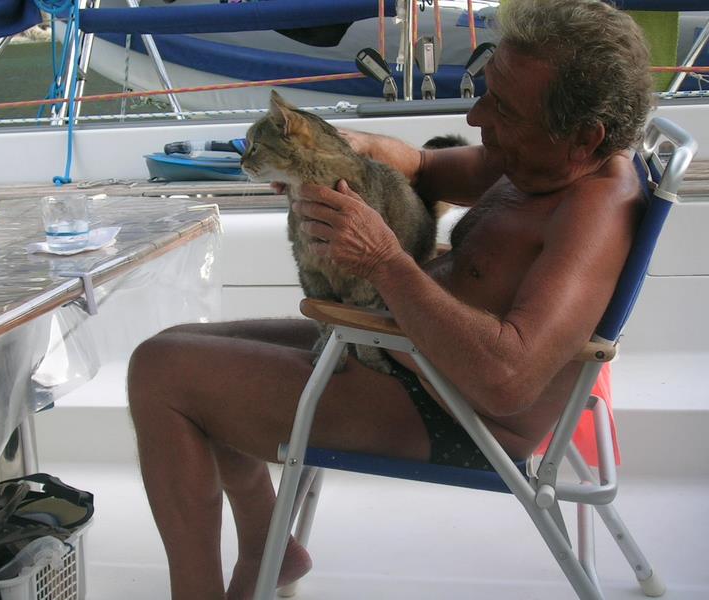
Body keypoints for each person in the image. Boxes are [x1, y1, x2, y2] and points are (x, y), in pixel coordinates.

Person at [126, 0, 653, 598]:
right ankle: (269, 545)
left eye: (503, 108)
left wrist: (384, 261)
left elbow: (508, 379)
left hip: (453, 412)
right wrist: (343, 150)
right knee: (174, 346)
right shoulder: (538, 159)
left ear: (584, 138)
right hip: (403, 347)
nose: (477, 116)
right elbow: (426, 166)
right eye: (488, 93)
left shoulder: (594, 215)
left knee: (162, 374)